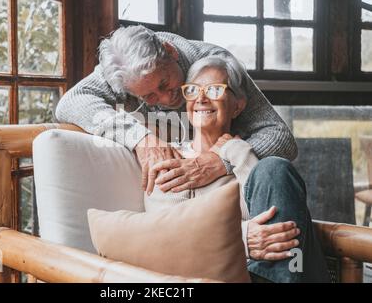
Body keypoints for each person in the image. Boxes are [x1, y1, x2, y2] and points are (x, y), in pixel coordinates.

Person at [145, 56, 330, 283]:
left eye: (214, 90)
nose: (201, 98)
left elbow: (271, 219)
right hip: (211, 277)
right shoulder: (170, 160)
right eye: (192, 90)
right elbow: (167, 234)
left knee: (275, 168)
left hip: (263, 272)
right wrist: (241, 237)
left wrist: (235, 150)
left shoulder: (249, 159)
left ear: (237, 106)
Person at [55, 25, 298, 196]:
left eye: (164, 83)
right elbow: (71, 102)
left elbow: (282, 138)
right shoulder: (122, 71)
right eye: (149, 96)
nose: (165, 98)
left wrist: (221, 160)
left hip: (235, 189)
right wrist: (141, 139)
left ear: (170, 51)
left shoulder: (216, 65)